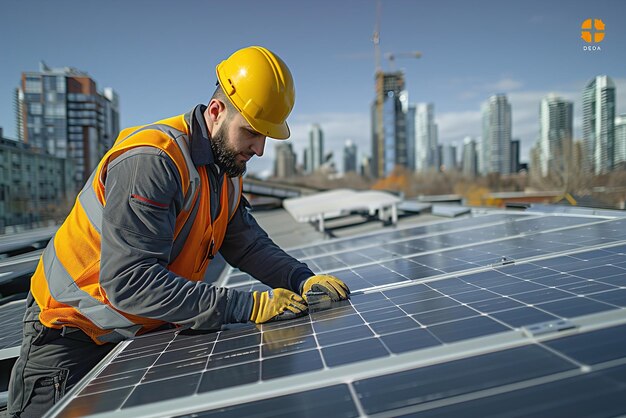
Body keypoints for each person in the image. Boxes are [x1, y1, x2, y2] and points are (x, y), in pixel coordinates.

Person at [7, 45, 350, 417]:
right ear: (216, 112)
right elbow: (129, 281)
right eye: (252, 132)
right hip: (69, 338)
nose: (260, 149)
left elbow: (248, 246)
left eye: (267, 137)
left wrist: (302, 279)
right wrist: (247, 306)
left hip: (134, 337)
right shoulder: (153, 160)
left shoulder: (225, 172)